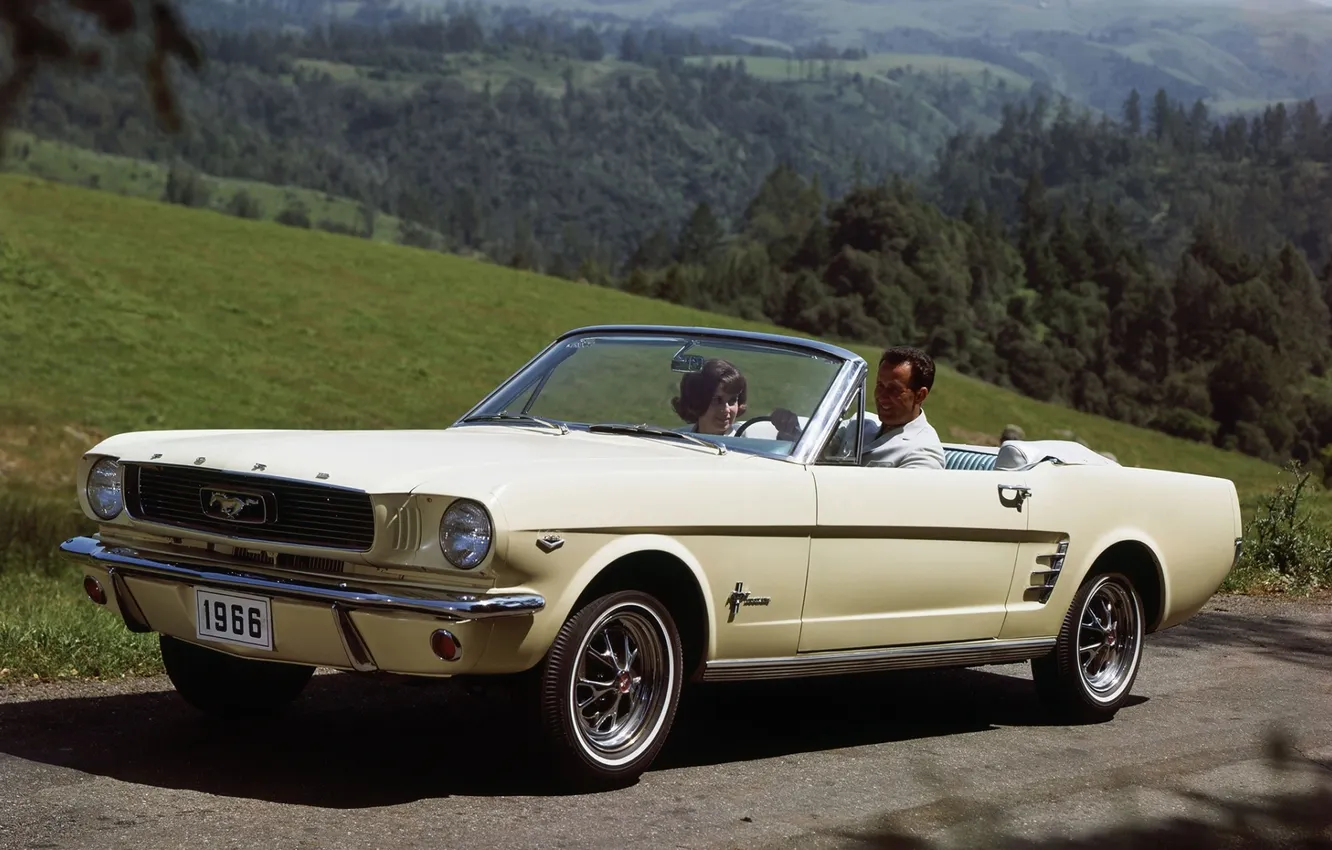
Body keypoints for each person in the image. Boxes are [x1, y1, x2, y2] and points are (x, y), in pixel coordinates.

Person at [771, 345, 945, 469]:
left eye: (894, 390)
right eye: (880, 385)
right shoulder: (858, 423)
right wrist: (791, 430)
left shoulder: (923, 451)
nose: (881, 396)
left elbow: (904, 508)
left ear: (920, 395)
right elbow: (818, 452)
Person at [671, 357, 748, 436]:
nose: (726, 410)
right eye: (717, 400)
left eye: (732, 400)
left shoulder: (749, 441)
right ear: (695, 401)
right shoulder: (675, 440)